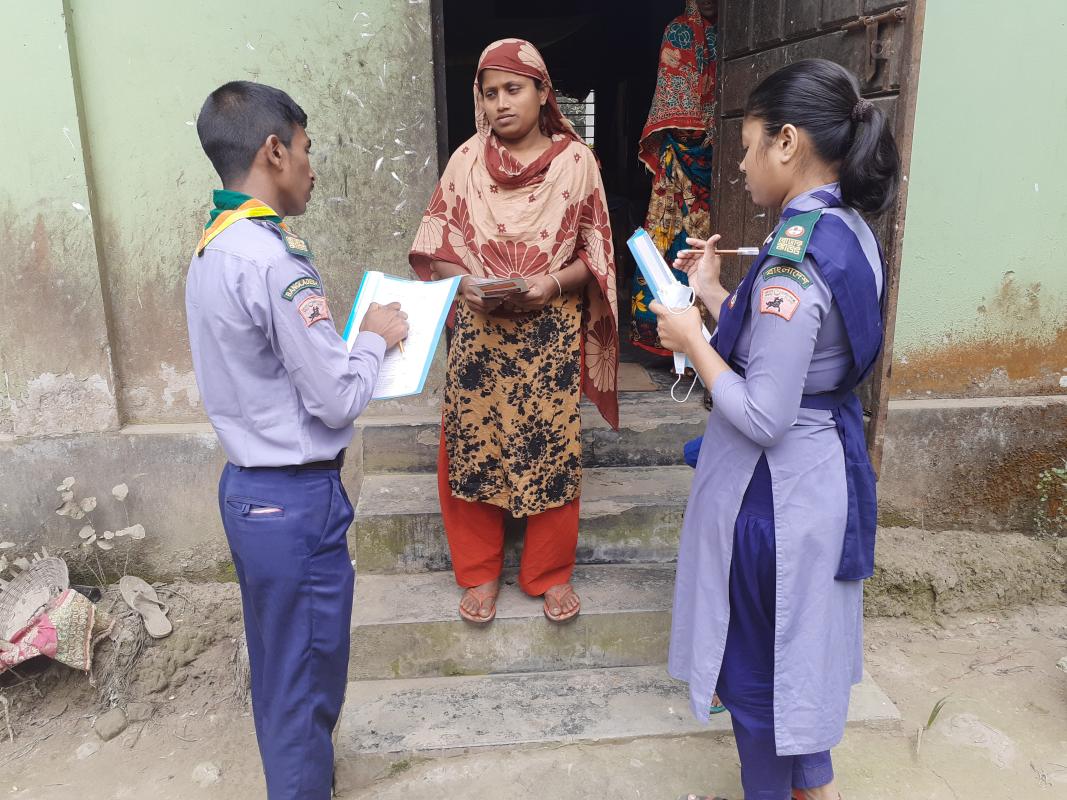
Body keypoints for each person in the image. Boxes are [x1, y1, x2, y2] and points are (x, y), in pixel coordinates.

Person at [654, 59, 900, 800]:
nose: (739, 163)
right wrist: (713, 295)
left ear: (786, 142)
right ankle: (813, 788)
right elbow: (798, 351)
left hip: (775, 500)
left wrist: (691, 339)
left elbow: (764, 413)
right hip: (817, 471)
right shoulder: (846, 230)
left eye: (747, 144)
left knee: (761, 676)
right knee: (798, 649)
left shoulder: (793, 259)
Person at [185, 81, 408, 799]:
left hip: (250, 492)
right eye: (307, 150)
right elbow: (336, 398)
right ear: (274, 151)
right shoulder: (272, 260)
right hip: (294, 502)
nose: (312, 167)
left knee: (282, 670)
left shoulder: (214, 246)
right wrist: (372, 340)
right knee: (305, 680)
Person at [409, 39, 619, 625]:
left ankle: (547, 572)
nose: (500, 103)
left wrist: (551, 284)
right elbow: (435, 245)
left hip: (550, 327)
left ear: (543, 92)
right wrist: (465, 284)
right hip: (480, 329)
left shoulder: (578, 163)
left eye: (513, 89)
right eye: (489, 92)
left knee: (551, 447)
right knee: (473, 444)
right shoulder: (465, 161)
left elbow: (596, 254)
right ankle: (479, 571)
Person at [630, 0, 718, 356]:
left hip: (722, 154)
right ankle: (672, 339)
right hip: (680, 165)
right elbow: (673, 98)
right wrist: (701, 134)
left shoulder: (736, 34)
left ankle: (715, 339)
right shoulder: (679, 31)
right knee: (674, 246)